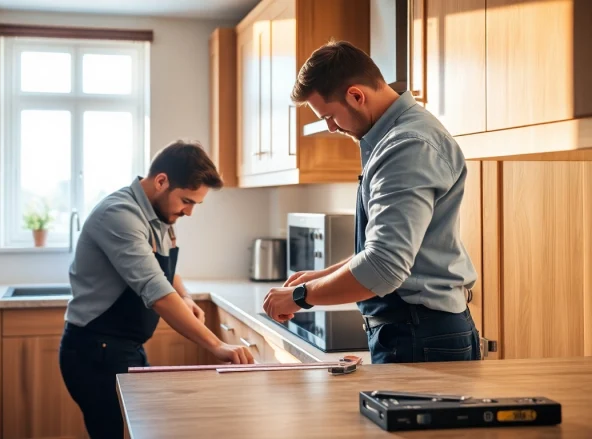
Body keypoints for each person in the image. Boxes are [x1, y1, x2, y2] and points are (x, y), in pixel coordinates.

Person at [262, 40, 481, 364]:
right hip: (418, 331)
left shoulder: (405, 147)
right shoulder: (398, 139)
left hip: (421, 336)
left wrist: (300, 297)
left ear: (356, 95)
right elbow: (388, 252)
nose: (331, 127)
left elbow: (384, 266)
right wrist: (319, 278)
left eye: (330, 116)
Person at [59, 139, 255, 438]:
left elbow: (162, 270)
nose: (189, 212)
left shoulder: (158, 213)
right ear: (162, 181)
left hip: (123, 347)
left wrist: (185, 296)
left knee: (144, 429)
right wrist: (217, 345)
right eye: (187, 201)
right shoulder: (120, 215)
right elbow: (156, 291)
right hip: (94, 352)